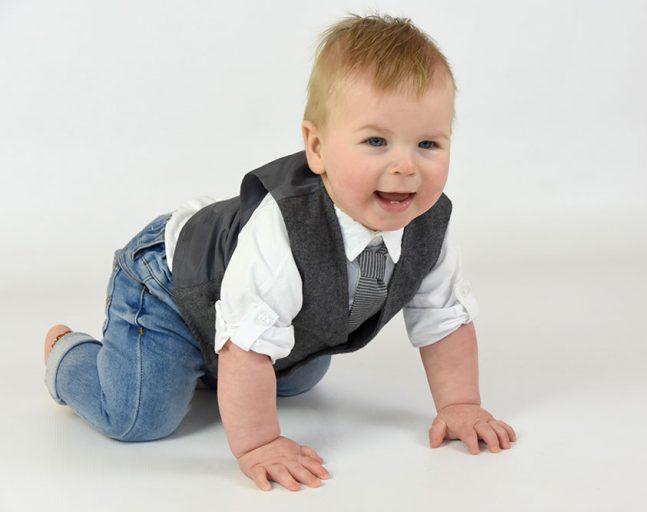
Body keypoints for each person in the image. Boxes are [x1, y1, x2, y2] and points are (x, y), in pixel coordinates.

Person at [43, 13, 517, 492]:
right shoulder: (284, 227)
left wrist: (460, 405)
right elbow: (249, 348)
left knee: (297, 379)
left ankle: (210, 364)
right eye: (376, 141)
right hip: (170, 285)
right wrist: (258, 443)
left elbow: (444, 320)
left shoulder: (430, 221)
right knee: (139, 417)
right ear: (317, 147)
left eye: (428, 144)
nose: (405, 166)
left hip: (244, 303)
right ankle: (68, 355)